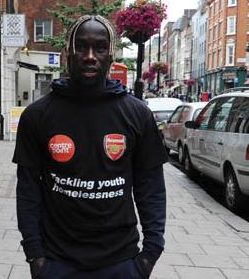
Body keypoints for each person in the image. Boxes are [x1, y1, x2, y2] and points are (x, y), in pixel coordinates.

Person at [13, 15, 167, 279]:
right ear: (68, 53)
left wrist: (150, 254)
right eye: (81, 46)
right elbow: (28, 188)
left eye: (100, 47)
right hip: (57, 262)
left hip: (121, 262)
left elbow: (150, 186)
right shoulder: (37, 115)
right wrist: (35, 255)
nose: (90, 56)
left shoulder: (137, 114)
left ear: (111, 54)